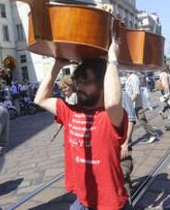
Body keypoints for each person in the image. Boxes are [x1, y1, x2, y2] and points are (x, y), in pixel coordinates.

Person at [34, 34, 130, 210]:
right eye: (78, 81)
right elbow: (40, 99)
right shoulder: (71, 111)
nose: (79, 86)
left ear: (103, 85)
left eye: (85, 81)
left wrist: (112, 60)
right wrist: (56, 65)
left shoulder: (110, 117)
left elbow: (113, 102)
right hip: (81, 200)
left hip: (109, 204)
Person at [125, 71, 158, 143]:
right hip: (131, 104)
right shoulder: (128, 78)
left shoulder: (134, 78)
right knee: (129, 122)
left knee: (142, 120)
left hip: (136, 105)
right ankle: (128, 140)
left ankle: (153, 134)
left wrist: (128, 104)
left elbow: (135, 93)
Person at [121, 91, 137, 199]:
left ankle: (127, 201)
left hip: (120, 144)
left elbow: (131, 120)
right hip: (105, 146)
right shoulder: (98, 95)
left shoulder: (123, 95)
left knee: (122, 175)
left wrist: (125, 143)